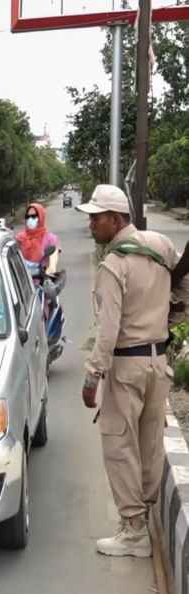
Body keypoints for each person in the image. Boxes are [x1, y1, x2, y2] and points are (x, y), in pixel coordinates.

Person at [78, 184, 183, 558]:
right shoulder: (160, 244)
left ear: (116, 219)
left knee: (120, 447)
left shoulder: (114, 264)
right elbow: (182, 284)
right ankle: (144, 514)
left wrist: (92, 377)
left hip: (125, 367)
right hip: (158, 363)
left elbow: (106, 333)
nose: (91, 224)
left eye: (96, 217)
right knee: (150, 442)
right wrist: (172, 317)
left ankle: (134, 531)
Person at [16, 203, 60, 282]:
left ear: (41, 217)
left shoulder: (50, 239)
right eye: (28, 217)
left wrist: (49, 270)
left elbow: (53, 261)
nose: (30, 219)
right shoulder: (20, 238)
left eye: (34, 216)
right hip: (22, 284)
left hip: (41, 284)